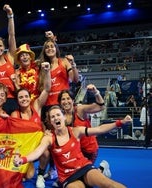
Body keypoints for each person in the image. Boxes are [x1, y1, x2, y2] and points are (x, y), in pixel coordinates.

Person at [14, 105, 132, 188]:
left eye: (58, 115)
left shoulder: (76, 131)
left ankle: (100, 170)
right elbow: (38, 152)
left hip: (84, 168)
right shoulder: (49, 138)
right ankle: (101, 169)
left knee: (109, 184)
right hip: (67, 177)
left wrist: (119, 122)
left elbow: (99, 129)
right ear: (50, 121)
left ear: (64, 117)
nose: (56, 118)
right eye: (52, 117)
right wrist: (23, 159)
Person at [35, 31, 79, 187]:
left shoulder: (64, 62)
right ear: (44, 50)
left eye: (52, 46)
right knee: (50, 141)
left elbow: (75, 79)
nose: (49, 49)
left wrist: (73, 64)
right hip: (48, 107)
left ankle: (65, 171)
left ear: (56, 48)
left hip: (62, 107)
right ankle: (51, 170)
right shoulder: (42, 66)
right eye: (47, 47)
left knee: (63, 141)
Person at [58, 84, 111, 178]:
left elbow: (101, 107)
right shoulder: (61, 117)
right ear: (60, 102)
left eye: (68, 98)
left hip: (89, 150)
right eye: (63, 99)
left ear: (73, 100)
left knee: (84, 177)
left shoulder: (80, 110)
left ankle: (101, 169)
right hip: (75, 151)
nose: (66, 101)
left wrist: (96, 92)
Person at [11, 61, 51, 179]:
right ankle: (27, 166)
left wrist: (47, 71)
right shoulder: (15, 114)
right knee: (28, 177)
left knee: (46, 152)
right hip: (21, 149)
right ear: (18, 100)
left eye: (26, 97)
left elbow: (47, 89)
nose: (24, 99)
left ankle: (40, 175)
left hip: (36, 148)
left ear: (30, 98)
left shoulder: (36, 107)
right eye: (21, 97)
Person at [0, 4, 17, 115]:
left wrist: (10, 16)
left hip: (12, 99)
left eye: (0, 46)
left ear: (4, 47)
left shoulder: (10, 57)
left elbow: (11, 35)